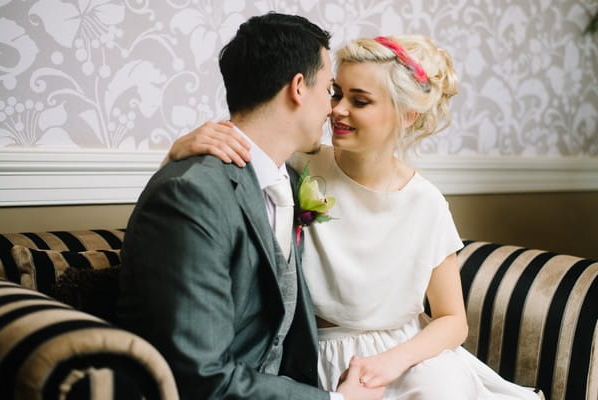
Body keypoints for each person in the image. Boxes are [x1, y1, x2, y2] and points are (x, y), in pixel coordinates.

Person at [165, 34, 542, 399]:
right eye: (336, 93)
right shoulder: (298, 164)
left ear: (407, 115)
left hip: (407, 357)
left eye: (359, 101)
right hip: (316, 355)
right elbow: (212, 182)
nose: (337, 110)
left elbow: (452, 320)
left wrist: (391, 362)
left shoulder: (425, 203)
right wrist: (179, 150)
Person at [117, 12, 385, 400]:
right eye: (329, 90)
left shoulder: (288, 179)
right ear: (298, 87)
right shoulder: (189, 196)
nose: (332, 109)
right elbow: (199, 379)